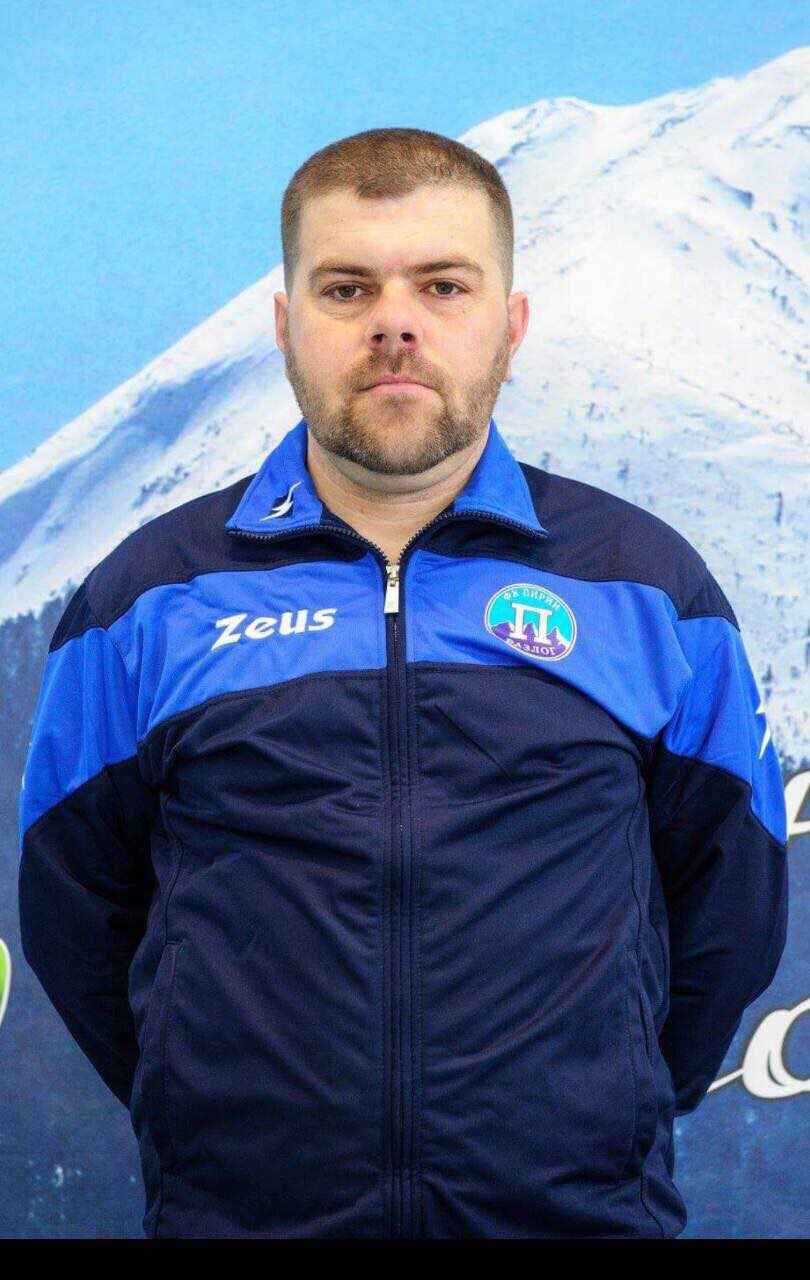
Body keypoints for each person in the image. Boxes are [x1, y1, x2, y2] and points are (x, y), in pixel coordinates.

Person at [18, 127, 789, 1240]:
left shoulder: (646, 589)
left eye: (442, 285)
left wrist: (599, 1110)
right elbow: (74, 911)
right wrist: (213, 1113)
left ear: (511, 325)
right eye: (346, 289)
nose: (394, 322)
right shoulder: (147, 598)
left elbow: (733, 907)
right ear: (284, 326)